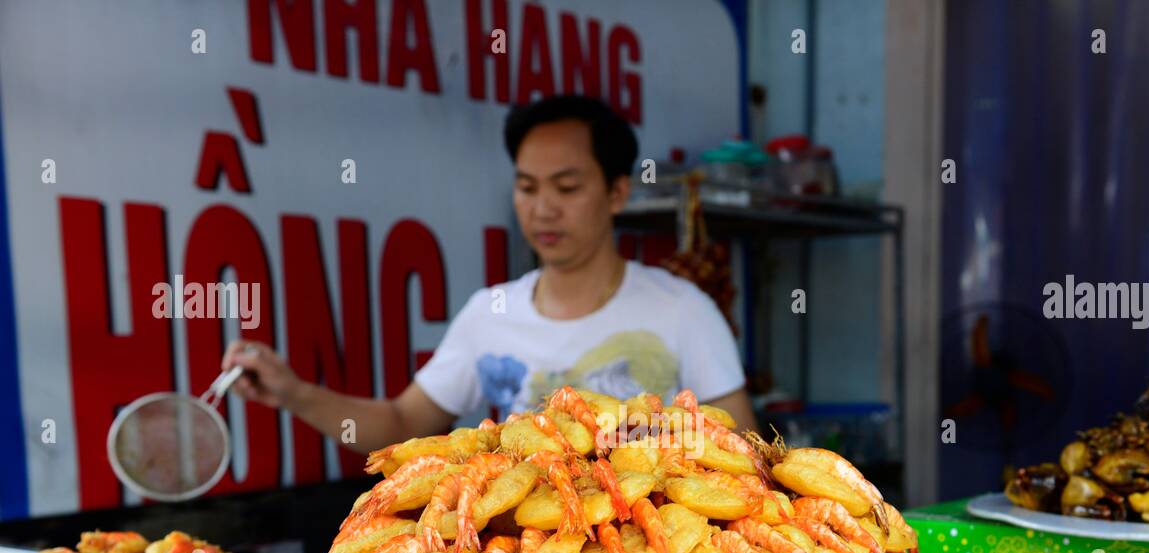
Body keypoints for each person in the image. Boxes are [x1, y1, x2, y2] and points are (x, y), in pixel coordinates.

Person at [222, 94, 756, 452]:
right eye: (527, 187)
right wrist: (294, 393)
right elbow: (403, 426)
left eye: (566, 188)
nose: (543, 208)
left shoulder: (682, 310)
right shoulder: (490, 313)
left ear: (618, 192)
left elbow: (743, 451)